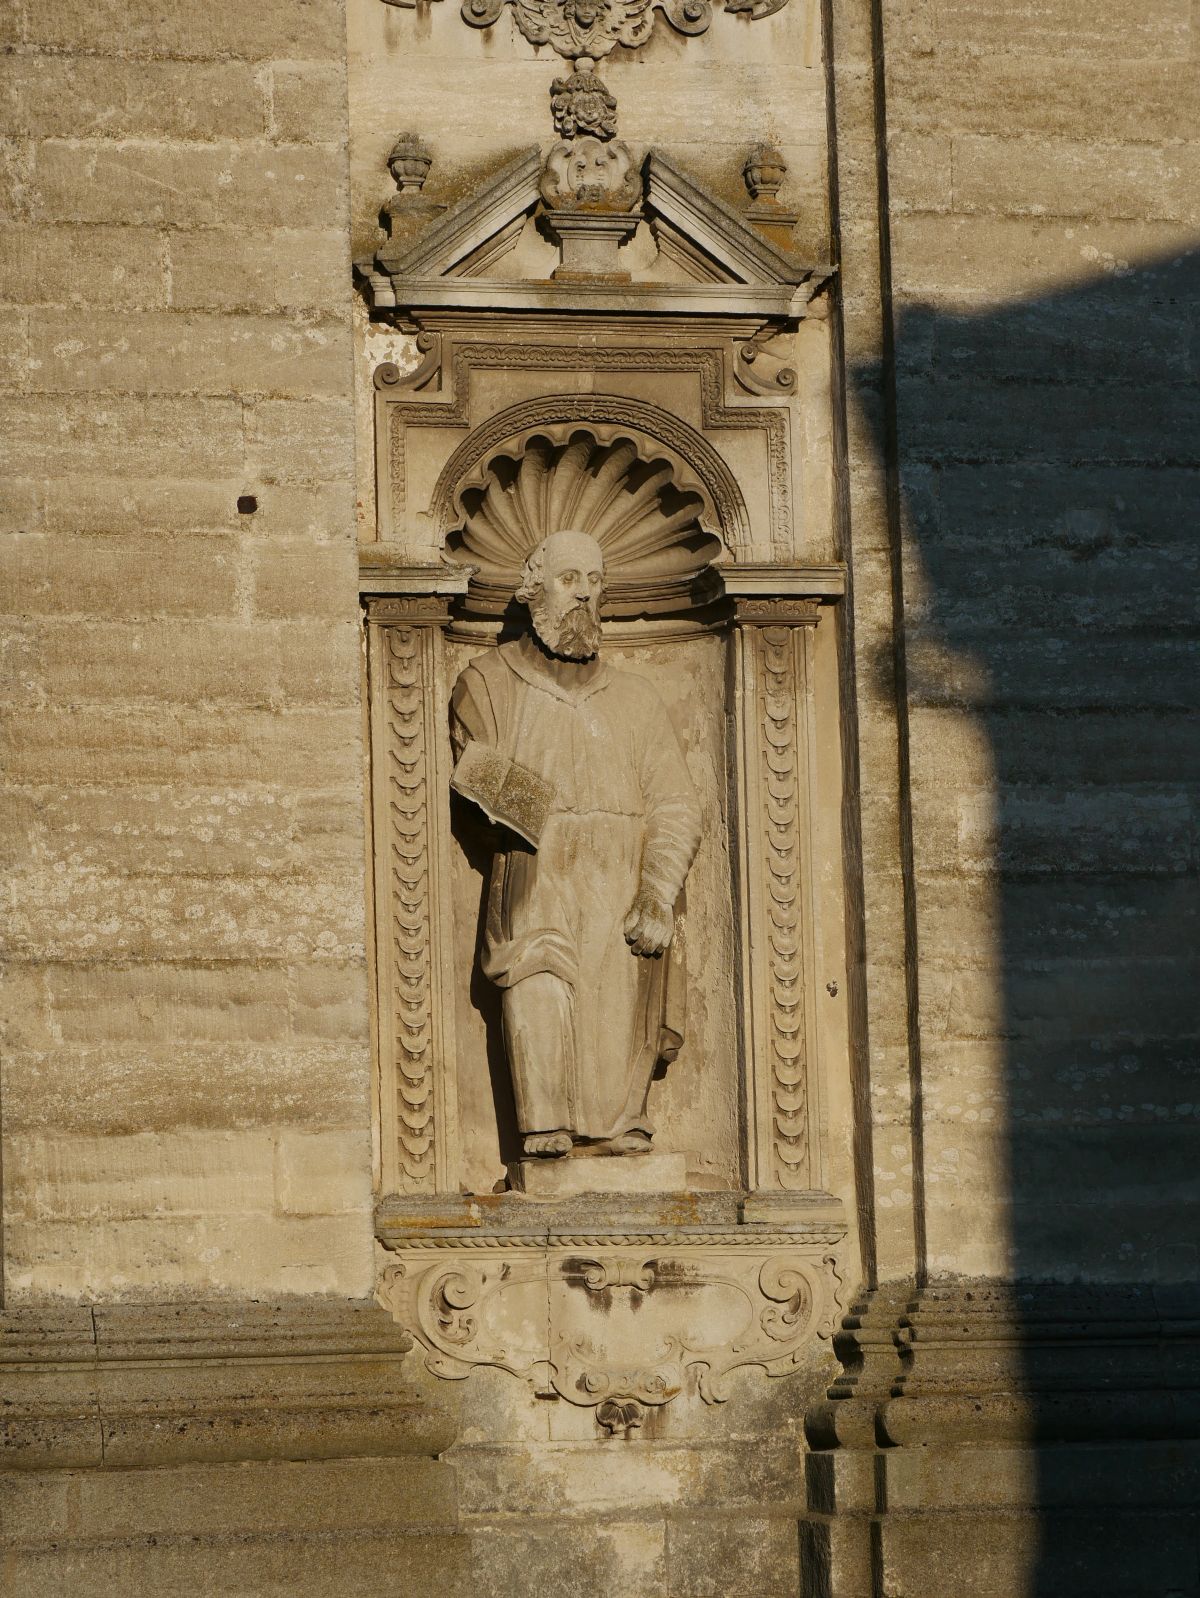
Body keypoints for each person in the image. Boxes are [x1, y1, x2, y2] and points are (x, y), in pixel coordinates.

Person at [450, 529, 701, 1158]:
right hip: (538, 875)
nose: (582, 596)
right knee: (536, 979)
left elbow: (676, 802)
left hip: (619, 883)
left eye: (593, 581)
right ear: (534, 590)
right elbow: (473, 767)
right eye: (568, 580)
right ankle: (543, 1130)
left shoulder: (637, 700)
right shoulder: (487, 682)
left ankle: (616, 1127)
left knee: (615, 1028)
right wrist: (561, 811)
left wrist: (656, 890)